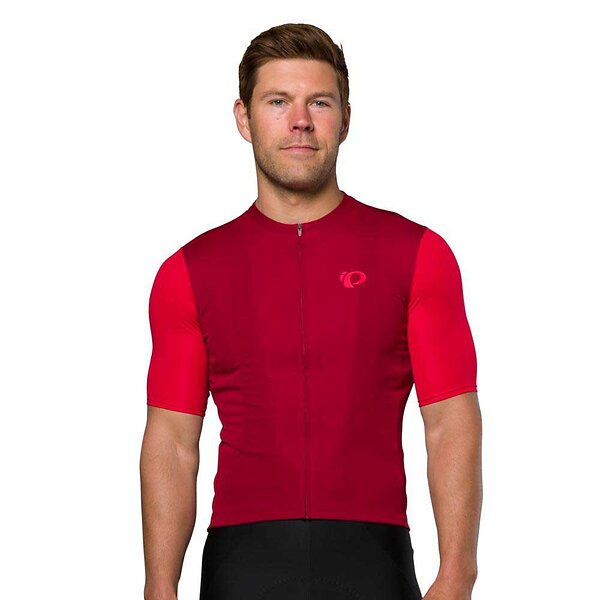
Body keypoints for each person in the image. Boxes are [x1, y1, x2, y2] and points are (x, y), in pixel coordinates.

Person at [140, 23, 483, 600]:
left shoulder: (416, 254)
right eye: (278, 101)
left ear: (345, 119)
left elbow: (451, 419)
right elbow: (172, 439)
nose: (300, 120)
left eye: (319, 103)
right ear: (244, 119)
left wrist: (457, 575)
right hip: (241, 567)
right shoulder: (189, 271)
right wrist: (158, 586)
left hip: (372, 563)